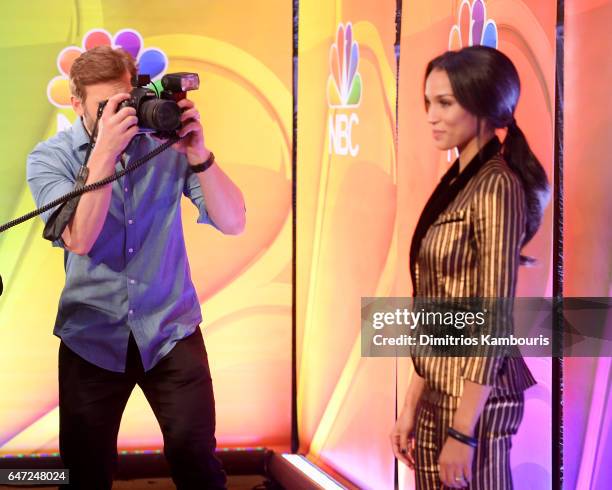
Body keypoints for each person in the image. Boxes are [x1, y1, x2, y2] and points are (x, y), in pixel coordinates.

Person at [26, 46, 245, 489]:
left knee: (196, 458)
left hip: (170, 327)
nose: (118, 117)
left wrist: (199, 154)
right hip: (92, 335)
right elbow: (80, 239)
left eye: (124, 103)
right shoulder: (50, 158)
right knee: (85, 472)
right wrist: (103, 153)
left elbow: (234, 221)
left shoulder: (162, 145)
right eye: (104, 108)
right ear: (76, 104)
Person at [390, 46, 550, 489]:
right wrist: (411, 406)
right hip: (437, 391)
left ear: (483, 106)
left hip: (477, 402)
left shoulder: (497, 185)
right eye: (428, 102)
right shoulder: (457, 183)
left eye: (445, 103)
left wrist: (463, 431)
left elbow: (494, 316)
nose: (431, 116)